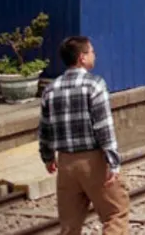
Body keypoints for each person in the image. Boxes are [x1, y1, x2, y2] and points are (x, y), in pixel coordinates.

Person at [39, 36, 130, 235]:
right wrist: (113, 161)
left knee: (69, 226)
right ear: (82, 57)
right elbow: (103, 127)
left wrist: (48, 157)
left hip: (65, 164)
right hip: (93, 161)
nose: (94, 55)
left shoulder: (50, 90)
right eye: (92, 52)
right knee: (115, 213)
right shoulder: (94, 85)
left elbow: (45, 129)